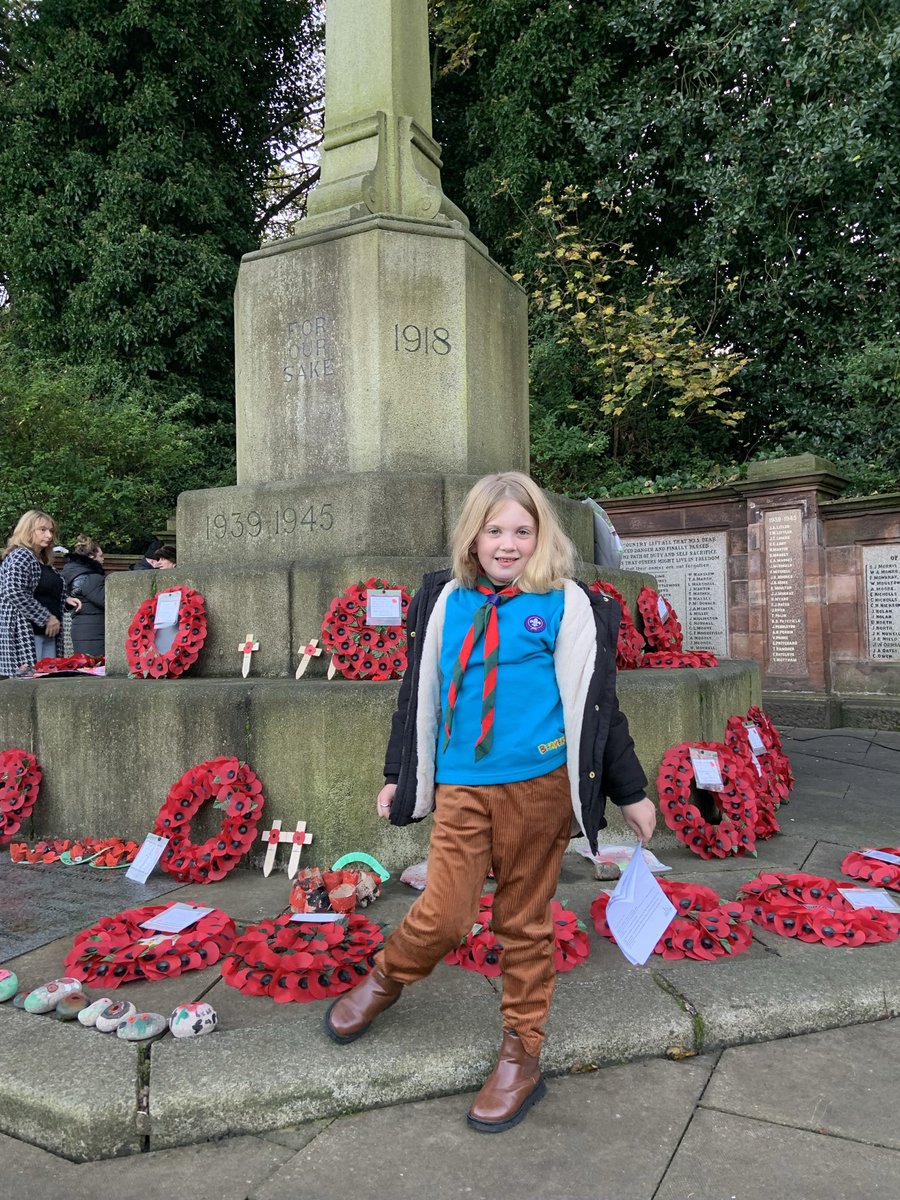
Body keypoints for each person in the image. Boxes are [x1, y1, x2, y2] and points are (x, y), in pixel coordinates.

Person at [324, 472, 656, 1133]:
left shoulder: (568, 604)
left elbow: (599, 709)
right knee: (445, 915)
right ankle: (386, 977)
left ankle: (521, 1053)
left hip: (540, 790)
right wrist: (399, 774)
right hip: (463, 788)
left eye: (521, 531)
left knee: (525, 924)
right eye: (495, 530)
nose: (507, 544)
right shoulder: (444, 602)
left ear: (542, 537)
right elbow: (414, 696)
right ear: (472, 537)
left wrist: (632, 791)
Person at [0, 510, 80, 675]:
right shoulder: (21, 556)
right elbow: (14, 591)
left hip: (46, 632)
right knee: (30, 685)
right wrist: (46, 617)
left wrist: (65, 600)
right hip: (25, 633)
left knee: (46, 680)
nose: (49, 535)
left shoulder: (41, 559)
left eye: (51, 531)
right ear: (28, 530)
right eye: (42, 530)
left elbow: (43, 590)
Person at [61, 535, 106, 657]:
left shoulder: (72, 573)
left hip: (81, 628)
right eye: (101, 556)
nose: (103, 560)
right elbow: (107, 602)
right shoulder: (92, 578)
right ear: (91, 557)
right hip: (94, 631)